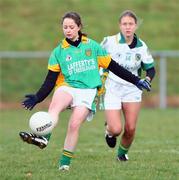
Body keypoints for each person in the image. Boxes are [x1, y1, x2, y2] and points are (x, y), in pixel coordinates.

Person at [19, 11, 151, 171]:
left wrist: (136, 80)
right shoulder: (58, 52)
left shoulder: (92, 46)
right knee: (54, 109)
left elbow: (114, 67)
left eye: (71, 27)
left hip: (88, 91)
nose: (68, 30)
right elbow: (50, 80)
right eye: (65, 27)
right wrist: (37, 97)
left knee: (74, 125)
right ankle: (43, 138)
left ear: (79, 27)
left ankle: (64, 165)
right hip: (67, 86)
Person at [100, 10, 156, 161]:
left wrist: (148, 79)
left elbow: (150, 69)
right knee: (116, 129)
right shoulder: (109, 42)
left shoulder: (142, 46)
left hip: (133, 89)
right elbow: (97, 59)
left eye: (131, 24)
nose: (127, 27)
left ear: (136, 26)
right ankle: (109, 131)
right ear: (120, 26)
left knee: (130, 128)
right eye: (124, 24)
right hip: (113, 88)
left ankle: (122, 154)